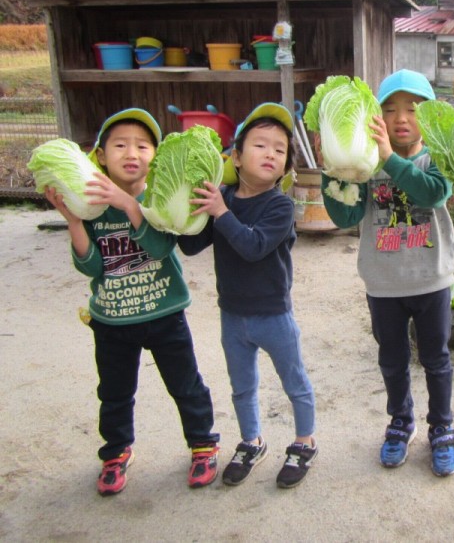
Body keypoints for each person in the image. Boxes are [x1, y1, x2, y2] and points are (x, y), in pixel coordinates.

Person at [43, 108, 220, 496]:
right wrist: (73, 221)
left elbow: (158, 247)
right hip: (112, 321)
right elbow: (90, 266)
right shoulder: (89, 202)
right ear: (101, 155)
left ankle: (203, 444)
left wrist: (127, 204)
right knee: (114, 391)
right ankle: (116, 452)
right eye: (120, 145)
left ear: (155, 157)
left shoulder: (161, 198)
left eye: (142, 146)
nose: (132, 153)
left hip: (165, 313)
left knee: (186, 385)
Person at [321, 69, 454, 477]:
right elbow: (345, 215)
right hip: (383, 284)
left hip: (432, 279)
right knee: (392, 360)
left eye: (412, 109)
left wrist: (389, 158)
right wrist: (333, 172)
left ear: (429, 116)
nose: (401, 118)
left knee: (436, 359)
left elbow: (433, 193)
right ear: (375, 116)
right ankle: (401, 420)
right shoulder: (364, 163)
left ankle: (442, 426)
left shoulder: (435, 156)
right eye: (389, 109)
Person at [179, 102, 317, 489]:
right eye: (260, 145)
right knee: (242, 385)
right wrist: (177, 214)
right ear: (235, 157)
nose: (271, 153)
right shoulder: (222, 196)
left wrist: (221, 212)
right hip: (232, 315)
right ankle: (251, 441)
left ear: (287, 164)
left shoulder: (280, 205)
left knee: (294, 381)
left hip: (273, 314)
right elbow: (192, 247)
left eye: (279, 148)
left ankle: (304, 442)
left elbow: (253, 246)